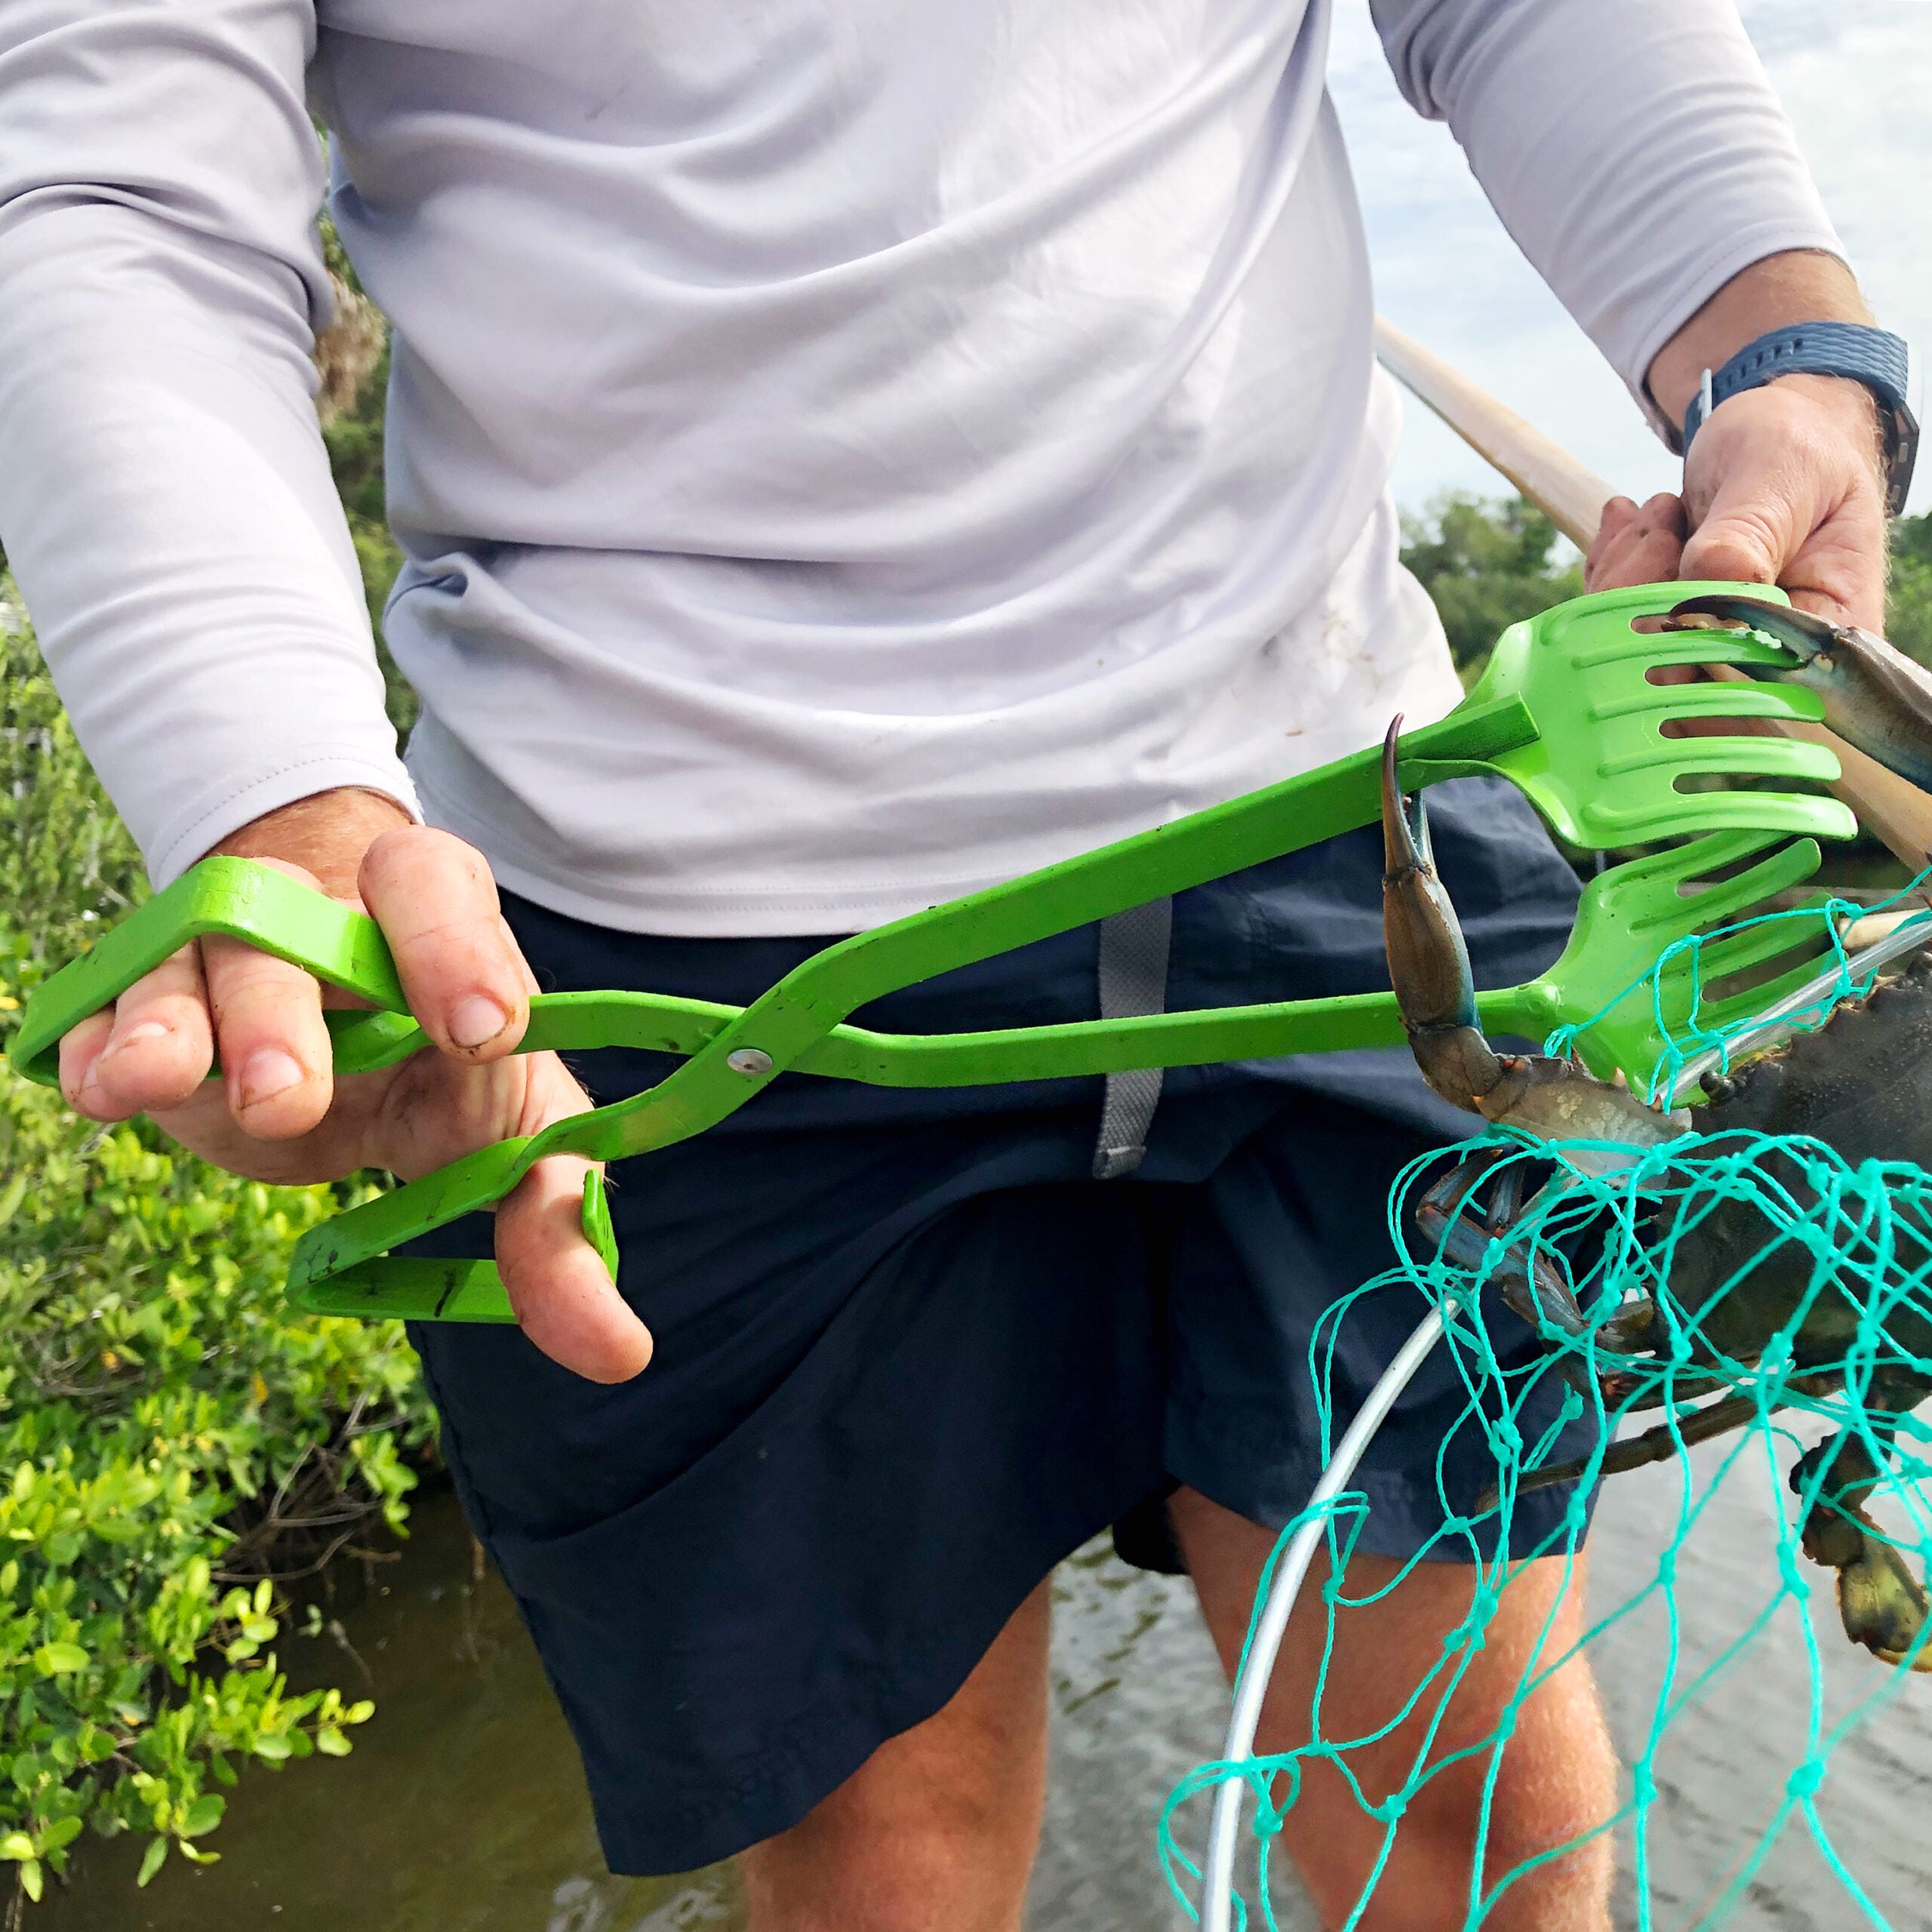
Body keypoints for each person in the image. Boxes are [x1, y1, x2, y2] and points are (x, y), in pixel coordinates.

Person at [0, 1, 1906, 1925]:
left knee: (1467, 1800)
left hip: (1355, 794)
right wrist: (276, 790)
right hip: (677, 914)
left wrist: (1780, 346)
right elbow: (114, 183)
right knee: (880, 1859)